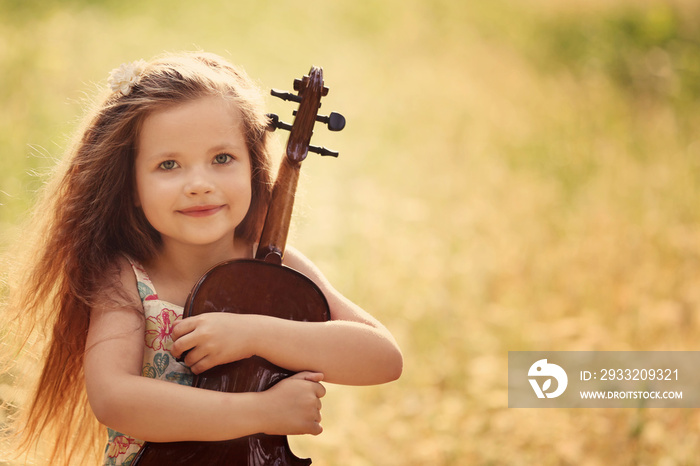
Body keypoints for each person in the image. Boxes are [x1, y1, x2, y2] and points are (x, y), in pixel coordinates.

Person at [1, 52, 402, 466]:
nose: (199, 184)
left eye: (222, 159)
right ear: (131, 187)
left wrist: (254, 334)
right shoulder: (127, 279)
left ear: (253, 167)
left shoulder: (277, 270)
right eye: (169, 165)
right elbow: (115, 399)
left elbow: (382, 358)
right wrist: (260, 413)